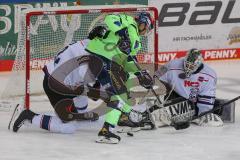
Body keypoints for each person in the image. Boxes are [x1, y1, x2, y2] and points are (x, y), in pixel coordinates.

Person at [85, 12, 155, 143]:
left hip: (109, 62)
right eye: (146, 27)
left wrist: (140, 74)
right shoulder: (128, 21)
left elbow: (128, 62)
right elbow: (109, 18)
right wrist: (122, 32)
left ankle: (123, 117)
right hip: (101, 56)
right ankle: (106, 132)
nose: (145, 31)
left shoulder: (137, 43)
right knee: (118, 95)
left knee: (125, 84)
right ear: (143, 23)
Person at [12, 39, 101, 134]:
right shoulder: (90, 62)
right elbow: (94, 95)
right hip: (56, 88)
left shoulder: (87, 44)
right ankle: (29, 116)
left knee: (82, 89)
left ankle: (77, 115)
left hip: (58, 77)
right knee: (69, 127)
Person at [153, 48, 224, 127]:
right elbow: (157, 76)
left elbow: (206, 97)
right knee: (160, 103)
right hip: (175, 96)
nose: (188, 68)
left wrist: (203, 114)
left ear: (199, 64)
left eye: (192, 66)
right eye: (187, 64)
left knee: (217, 107)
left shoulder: (210, 75)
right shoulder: (172, 65)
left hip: (194, 102)